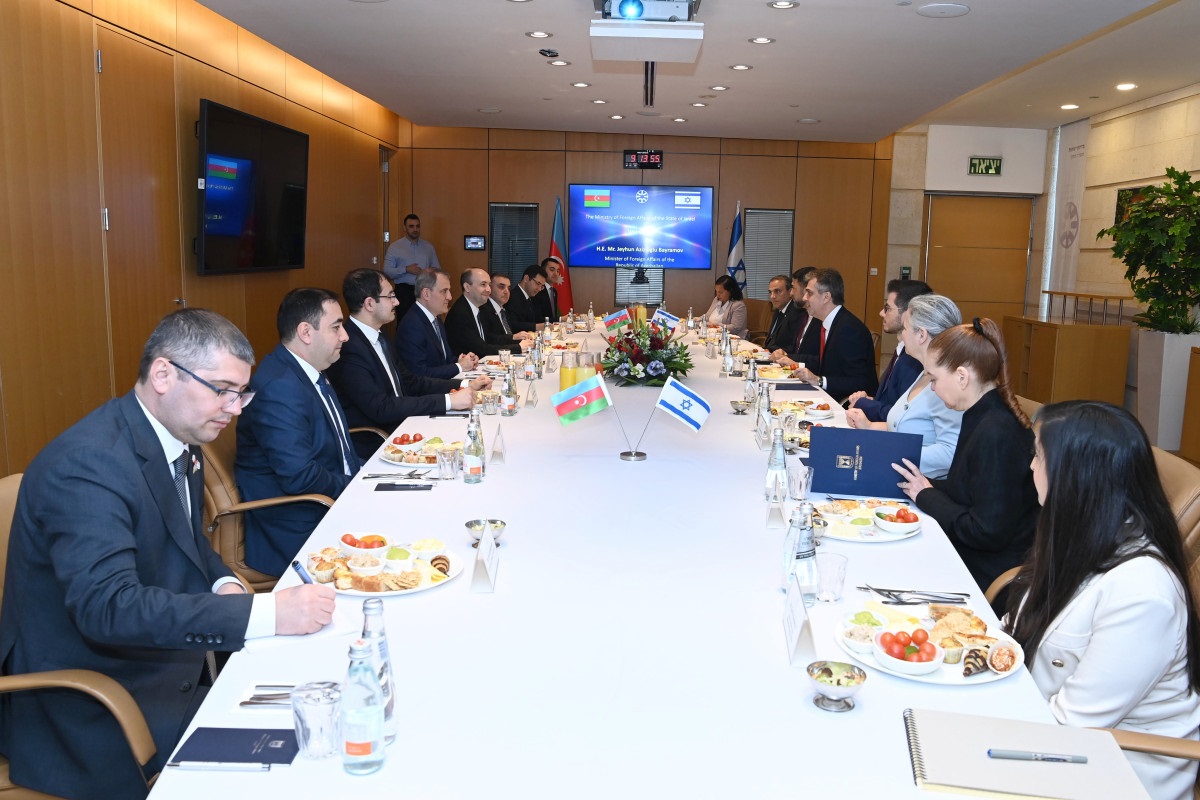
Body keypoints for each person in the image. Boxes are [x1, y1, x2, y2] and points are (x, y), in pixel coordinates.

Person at [0, 309, 334, 799]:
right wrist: (263, 613)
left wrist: (225, 584)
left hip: (168, 662)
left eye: (241, 393)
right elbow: (108, 608)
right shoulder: (88, 465)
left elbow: (188, 540)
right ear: (163, 374)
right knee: (301, 760)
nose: (235, 409)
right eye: (222, 390)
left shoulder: (179, 435)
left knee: (323, 707)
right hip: (94, 701)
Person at [1004, 401, 1200, 800]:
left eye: (1038, 456)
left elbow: (1074, 726)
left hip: (1114, 770)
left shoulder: (1144, 595)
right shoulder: (1084, 534)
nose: (1030, 466)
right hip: (1039, 723)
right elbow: (1022, 628)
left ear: (1076, 477)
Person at [892, 317, 1039, 592]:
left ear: (962, 377)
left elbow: (986, 531)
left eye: (934, 379)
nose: (932, 388)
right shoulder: (981, 414)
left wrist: (927, 495)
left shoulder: (996, 431)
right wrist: (920, 485)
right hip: (975, 553)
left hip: (988, 572)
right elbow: (968, 490)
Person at [237, 288, 363, 577]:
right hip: (298, 521)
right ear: (306, 332)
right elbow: (300, 477)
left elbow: (335, 449)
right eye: (336, 327)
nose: (345, 336)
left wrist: (368, 479)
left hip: (327, 500)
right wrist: (357, 488)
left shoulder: (306, 371)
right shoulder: (279, 386)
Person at [328, 269, 487, 459]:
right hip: (380, 443)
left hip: (405, 426)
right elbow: (381, 408)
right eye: (390, 296)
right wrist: (449, 401)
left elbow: (411, 382)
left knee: (474, 437)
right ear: (369, 303)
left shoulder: (380, 336)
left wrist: (465, 384)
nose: (397, 302)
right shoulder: (349, 347)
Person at [845, 293, 962, 479]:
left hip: (923, 485)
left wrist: (889, 454)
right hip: (901, 475)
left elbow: (950, 453)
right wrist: (869, 426)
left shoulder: (948, 384)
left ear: (921, 335)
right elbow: (902, 427)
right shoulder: (924, 373)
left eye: (905, 328)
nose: (901, 335)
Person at [784, 268, 878, 400]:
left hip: (846, 403)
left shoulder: (849, 329)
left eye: (809, 293)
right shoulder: (831, 323)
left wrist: (819, 380)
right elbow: (827, 364)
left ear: (826, 297)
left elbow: (859, 382)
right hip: (827, 396)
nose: (805, 298)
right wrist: (797, 365)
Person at [846, 278, 932, 420]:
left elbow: (904, 416)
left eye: (888, 308)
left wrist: (865, 404)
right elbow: (892, 402)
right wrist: (870, 401)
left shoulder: (916, 359)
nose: (881, 313)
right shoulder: (903, 349)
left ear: (908, 312)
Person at [394, 269, 479, 379]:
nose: (450, 297)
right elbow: (419, 375)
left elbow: (445, 360)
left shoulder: (435, 318)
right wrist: (459, 366)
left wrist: (463, 361)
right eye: (444, 291)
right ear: (426, 294)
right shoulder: (412, 325)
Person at [445, 268, 530, 358]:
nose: (489, 289)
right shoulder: (460, 313)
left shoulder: (477, 308)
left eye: (489, 285)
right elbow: (481, 349)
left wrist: (515, 339)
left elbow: (489, 338)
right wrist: (518, 347)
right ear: (467, 287)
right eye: (483, 284)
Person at [382, 213, 439, 318]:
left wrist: (427, 272)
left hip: (425, 290)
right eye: (411, 226)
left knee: (426, 320)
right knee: (404, 321)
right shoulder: (394, 247)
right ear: (405, 228)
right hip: (404, 291)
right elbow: (387, 272)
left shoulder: (429, 247)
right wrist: (406, 269)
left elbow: (437, 270)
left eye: (418, 226)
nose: (415, 229)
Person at [771, 266, 818, 364]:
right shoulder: (806, 315)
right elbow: (795, 348)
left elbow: (819, 361)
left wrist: (787, 356)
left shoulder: (820, 319)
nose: (791, 293)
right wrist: (783, 353)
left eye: (794, 288)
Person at [488, 272, 536, 344]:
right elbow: (491, 340)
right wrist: (514, 339)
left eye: (508, 288)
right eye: (501, 287)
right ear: (489, 288)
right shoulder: (484, 310)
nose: (506, 291)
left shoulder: (502, 310)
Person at [762, 274, 803, 352]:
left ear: (790, 292)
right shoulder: (778, 310)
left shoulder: (796, 313)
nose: (772, 296)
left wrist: (769, 351)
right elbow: (772, 339)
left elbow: (791, 347)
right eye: (770, 292)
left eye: (777, 291)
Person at [506, 265, 546, 333]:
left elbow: (536, 318)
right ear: (526, 278)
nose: (539, 289)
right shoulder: (512, 297)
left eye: (542, 286)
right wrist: (536, 326)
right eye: (538, 283)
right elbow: (512, 325)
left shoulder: (531, 297)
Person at [531, 256, 563, 322]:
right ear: (543, 271)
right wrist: (560, 319)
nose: (556, 274)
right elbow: (537, 319)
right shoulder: (537, 290)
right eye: (552, 270)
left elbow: (552, 316)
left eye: (558, 271)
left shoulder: (554, 291)